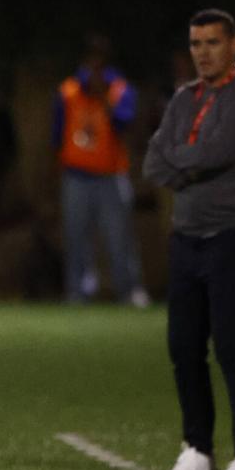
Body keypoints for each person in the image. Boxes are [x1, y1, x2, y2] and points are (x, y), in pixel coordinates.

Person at [143, 8, 235, 470]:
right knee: (183, 345)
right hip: (187, 234)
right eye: (196, 44)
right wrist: (186, 163)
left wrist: (184, 162)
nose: (203, 53)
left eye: (213, 43)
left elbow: (219, 151)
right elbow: (155, 161)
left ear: (234, 44)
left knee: (232, 345)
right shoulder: (183, 98)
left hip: (234, 233)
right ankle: (196, 448)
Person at [54, 35, 149, 306]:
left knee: (120, 237)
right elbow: (56, 135)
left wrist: (106, 102)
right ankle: (77, 291)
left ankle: (129, 290)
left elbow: (125, 127)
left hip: (112, 175)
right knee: (76, 237)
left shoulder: (120, 90)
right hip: (76, 176)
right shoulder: (68, 91)